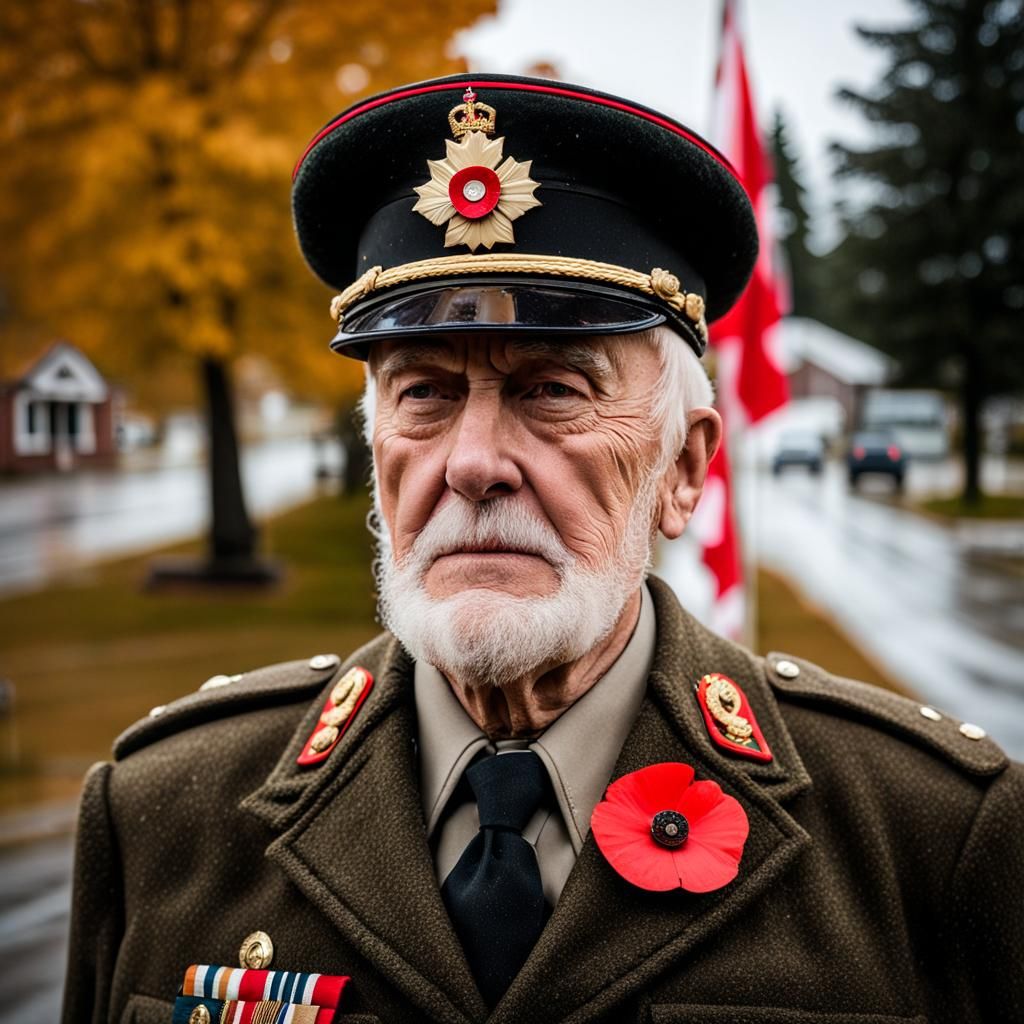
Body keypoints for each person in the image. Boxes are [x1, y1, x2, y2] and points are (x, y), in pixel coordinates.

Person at [63, 74, 1023, 1024]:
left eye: (554, 389)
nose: (474, 463)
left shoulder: (924, 839)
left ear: (683, 471)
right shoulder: (164, 816)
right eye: (425, 393)